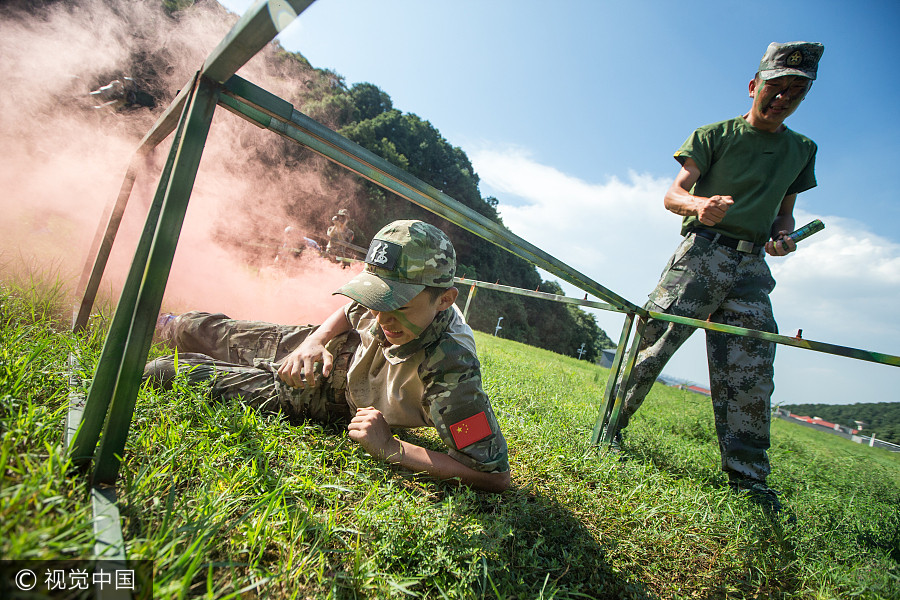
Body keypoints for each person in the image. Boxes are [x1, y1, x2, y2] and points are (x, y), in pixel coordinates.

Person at [145, 220, 510, 493]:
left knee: (167, 371)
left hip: (321, 395)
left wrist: (390, 447)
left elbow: (493, 475)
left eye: (397, 304)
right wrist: (314, 341)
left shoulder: (453, 373)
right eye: (377, 298)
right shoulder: (393, 300)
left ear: (445, 299)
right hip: (317, 349)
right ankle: (151, 322)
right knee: (196, 327)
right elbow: (353, 308)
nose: (382, 318)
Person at [614, 41, 824, 512]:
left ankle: (749, 482)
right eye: (775, 86)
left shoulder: (801, 150)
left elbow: (784, 215)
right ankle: (608, 430)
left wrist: (783, 236)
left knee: (751, 367)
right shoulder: (714, 135)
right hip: (702, 254)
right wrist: (699, 207)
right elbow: (673, 195)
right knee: (654, 344)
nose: (782, 98)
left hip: (752, 268)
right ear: (754, 86)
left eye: (796, 91)